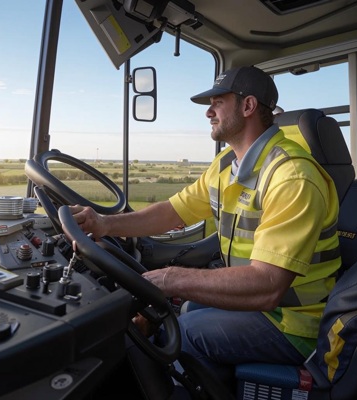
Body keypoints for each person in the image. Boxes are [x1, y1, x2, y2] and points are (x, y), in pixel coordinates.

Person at [63, 66, 341, 390]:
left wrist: (169, 278)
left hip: (297, 324)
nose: (208, 112)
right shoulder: (225, 166)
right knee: (187, 310)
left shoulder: (292, 177)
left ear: (248, 106)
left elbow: (268, 285)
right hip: (269, 310)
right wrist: (104, 224)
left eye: (217, 102)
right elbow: (172, 212)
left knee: (185, 332)